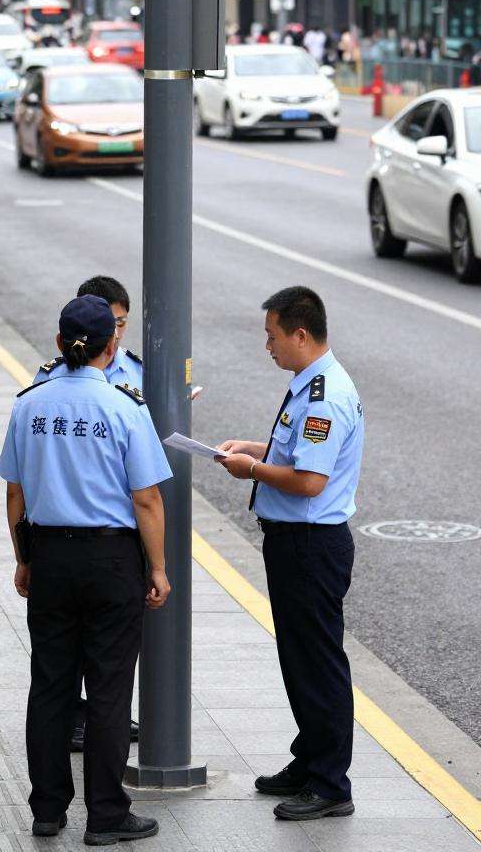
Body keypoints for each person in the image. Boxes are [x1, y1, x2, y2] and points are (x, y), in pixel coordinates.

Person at [0, 295, 172, 845]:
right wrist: (159, 569)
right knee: (109, 690)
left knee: (50, 685)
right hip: (111, 560)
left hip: (49, 556)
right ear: (111, 345)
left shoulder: (29, 404)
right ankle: (106, 815)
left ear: (58, 344)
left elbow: (15, 492)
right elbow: (145, 498)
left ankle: (47, 809)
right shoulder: (125, 407)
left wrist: (24, 558)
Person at [215, 286, 363, 822]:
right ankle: (310, 761)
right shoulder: (309, 385)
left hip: (310, 544)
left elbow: (308, 480)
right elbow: (299, 454)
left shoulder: (324, 395)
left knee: (318, 662)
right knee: (300, 660)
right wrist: (256, 449)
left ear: (301, 335)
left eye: (273, 336)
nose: (268, 346)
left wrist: (251, 470)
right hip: (296, 542)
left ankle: (330, 784)